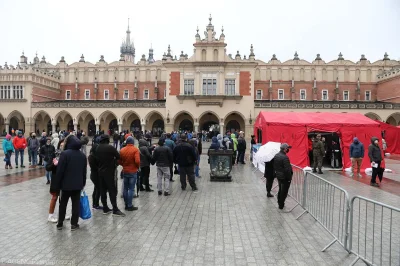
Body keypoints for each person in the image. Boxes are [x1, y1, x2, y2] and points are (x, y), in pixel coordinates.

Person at [52, 135, 87, 231]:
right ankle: (74, 224)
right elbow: (84, 172)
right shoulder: (82, 156)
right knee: (75, 204)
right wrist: (83, 183)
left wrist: (58, 184)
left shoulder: (65, 154)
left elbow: (60, 170)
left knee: (63, 203)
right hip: (77, 185)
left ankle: (60, 223)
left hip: (65, 185)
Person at [95, 134, 125, 216]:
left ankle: (105, 208)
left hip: (100, 172)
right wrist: (115, 163)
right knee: (112, 190)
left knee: (103, 190)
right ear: (107, 140)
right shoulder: (110, 148)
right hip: (109, 172)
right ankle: (115, 209)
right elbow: (118, 157)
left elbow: (96, 159)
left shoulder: (97, 148)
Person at [46, 140, 70, 223]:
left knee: (63, 198)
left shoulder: (68, 155)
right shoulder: (54, 155)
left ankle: (63, 213)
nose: (62, 147)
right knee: (55, 197)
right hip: (56, 179)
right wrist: (54, 164)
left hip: (65, 179)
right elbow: (48, 167)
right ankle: (50, 215)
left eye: (64, 146)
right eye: (61, 145)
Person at [119, 136, 140, 211]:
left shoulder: (122, 150)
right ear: (133, 142)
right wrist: (137, 167)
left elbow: (119, 161)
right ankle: (130, 205)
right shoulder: (135, 150)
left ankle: (126, 205)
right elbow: (137, 161)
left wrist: (124, 165)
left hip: (125, 171)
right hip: (133, 171)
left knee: (125, 188)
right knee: (131, 189)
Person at [273, 143, 293, 210]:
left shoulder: (276, 155)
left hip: (279, 175)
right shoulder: (285, 157)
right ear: (285, 149)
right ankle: (281, 204)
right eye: (287, 148)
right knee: (284, 191)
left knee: (281, 190)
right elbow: (287, 169)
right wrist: (289, 178)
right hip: (284, 177)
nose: (288, 150)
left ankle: (279, 202)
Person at [88, 138, 103, 210]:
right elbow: (95, 167)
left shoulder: (92, 156)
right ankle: (96, 204)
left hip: (94, 175)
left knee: (96, 189)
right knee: (98, 189)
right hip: (95, 175)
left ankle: (94, 204)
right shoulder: (92, 157)